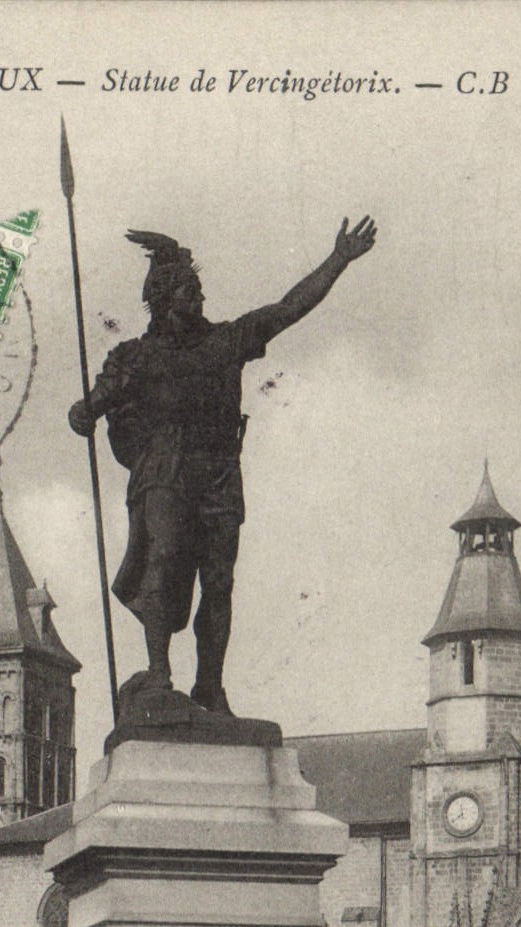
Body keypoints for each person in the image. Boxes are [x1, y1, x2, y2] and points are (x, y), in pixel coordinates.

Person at [69, 215, 377, 715]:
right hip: (165, 471)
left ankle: (209, 684)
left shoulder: (225, 342)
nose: (199, 299)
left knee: (219, 582)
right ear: (165, 299)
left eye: (199, 290)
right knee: (164, 563)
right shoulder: (135, 357)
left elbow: (288, 308)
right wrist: (81, 413)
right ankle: (160, 674)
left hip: (217, 474)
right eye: (190, 292)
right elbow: (91, 406)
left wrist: (339, 258)